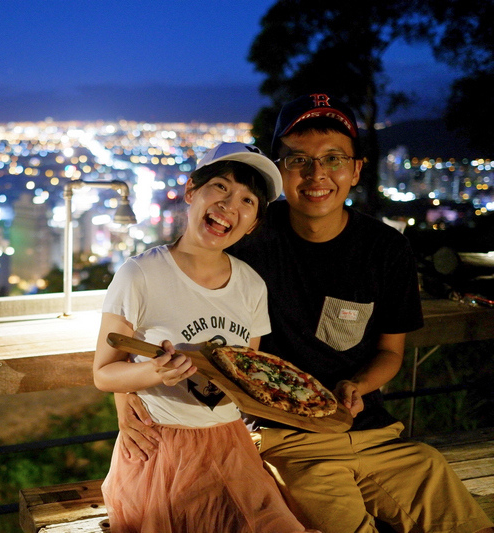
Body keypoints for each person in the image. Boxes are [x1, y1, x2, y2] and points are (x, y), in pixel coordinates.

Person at [118, 93, 494, 532]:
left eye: (333, 159)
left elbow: (392, 350)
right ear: (279, 171)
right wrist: (126, 395)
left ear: (356, 169)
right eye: (298, 160)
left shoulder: (385, 248)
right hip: (286, 441)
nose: (317, 175)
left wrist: (359, 385)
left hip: (375, 433)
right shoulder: (245, 232)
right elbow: (151, 299)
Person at [93, 143, 317, 533]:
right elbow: (104, 373)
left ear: (252, 224)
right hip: (160, 452)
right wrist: (151, 374)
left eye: (248, 200)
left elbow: (247, 375)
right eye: (220, 187)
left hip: (233, 447)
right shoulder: (139, 275)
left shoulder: (250, 285)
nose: (230, 205)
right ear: (192, 192)